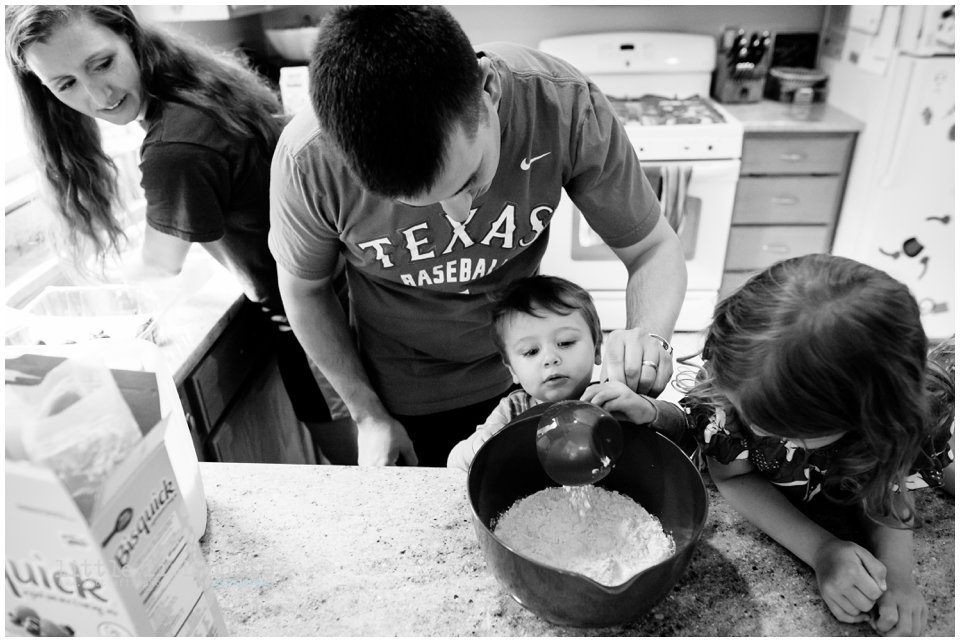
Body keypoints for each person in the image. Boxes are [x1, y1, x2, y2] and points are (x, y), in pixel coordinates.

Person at [269, 5, 687, 467]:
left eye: (469, 179)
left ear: (488, 87)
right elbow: (305, 291)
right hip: (401, 392)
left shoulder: (561, 103)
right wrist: (368, 414)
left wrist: (649, 338)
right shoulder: (307, 161)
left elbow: (652, 249)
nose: (459, 215)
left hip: (524, 371)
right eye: (417, 202)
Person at [5, 5, 341, 427]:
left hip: (316, 325)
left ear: (128, 35)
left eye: (102, 64)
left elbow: (161, 265)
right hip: (336, 298)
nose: (99, 96)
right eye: (66, 84)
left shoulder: (174, 149)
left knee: (357, 476)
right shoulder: (192, 87)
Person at [678, 254, 955, 636]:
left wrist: (897, 578)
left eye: (770, 426)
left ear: (862, 422)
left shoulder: (893, 421)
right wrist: (821, 549)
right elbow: (733, 476)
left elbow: (888, 488)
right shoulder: (736, 377)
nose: (746, 421)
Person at [447, 275, 689, 471]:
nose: (550, 358)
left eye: (565, 342)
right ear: (513, 371)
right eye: (531, 351)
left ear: (596, 349)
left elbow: (683, 429)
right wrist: (481, 445)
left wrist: (647, 409)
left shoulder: (613, 397)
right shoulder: (512, 411)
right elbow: (454, 462)